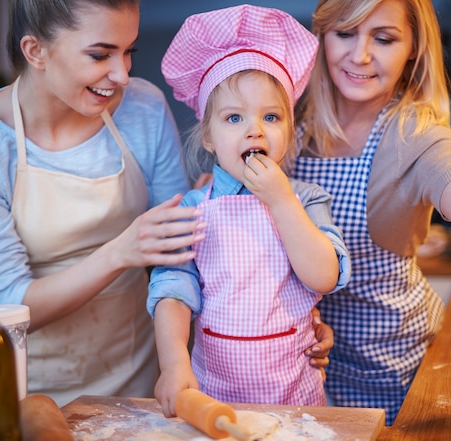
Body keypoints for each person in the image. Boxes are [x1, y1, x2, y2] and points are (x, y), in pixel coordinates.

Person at [0, 0, 332, 407]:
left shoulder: (143, 107)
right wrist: (120, 253)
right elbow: (7, 308)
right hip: (30, 391)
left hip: (141, 384)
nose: (122, 74)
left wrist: (287, 314)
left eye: (129, 52)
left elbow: (185, 258)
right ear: (35, 50)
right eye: (100, 54)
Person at [290, 0, 451, 425]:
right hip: (299, 369)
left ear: (413, 49)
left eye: (384, 39)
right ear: (320, 37)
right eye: (345, 33)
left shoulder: (415, 135)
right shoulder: (286, 124)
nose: (360, 55)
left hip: (391, 373)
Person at [147, 4, 351, 417]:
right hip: (215, 394)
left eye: (271, 116)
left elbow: (324, 276)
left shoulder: (306, 199)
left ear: (289, 131)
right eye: (234, 117)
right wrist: (173, 364)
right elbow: (172, 290)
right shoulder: (192, 208)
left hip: (295, 398)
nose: (254, 129)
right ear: (208, 136)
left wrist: (281, 200)